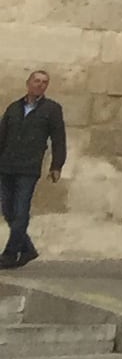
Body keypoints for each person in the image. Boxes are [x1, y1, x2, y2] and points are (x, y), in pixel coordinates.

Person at [0, 71, 65, 270]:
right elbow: (2, 136)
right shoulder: (14, 108)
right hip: (6, 167)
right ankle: (28, 249)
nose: (40, 85)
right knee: (8, 211)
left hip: (28, 169)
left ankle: (10, 254)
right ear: (28, 83)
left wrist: (57, 165)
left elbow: (58, 138)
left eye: (44, 82)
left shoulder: (52, 109)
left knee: (20, 211)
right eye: (37, 81)